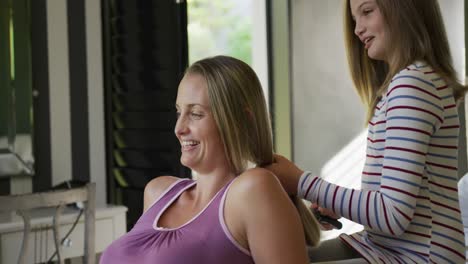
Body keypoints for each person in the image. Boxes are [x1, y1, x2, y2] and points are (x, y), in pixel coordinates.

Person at [265, 0, 467, 263]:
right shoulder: (409, 83)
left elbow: (392, 215)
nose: (358, 29)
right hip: (385, 247)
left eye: (367, 12)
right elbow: (394, 202)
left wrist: (302, 182)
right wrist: (337, 202)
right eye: (354, 19)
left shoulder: (413, 86)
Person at [100, 55, 320, 264]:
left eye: (196, 114)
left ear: (241, 121)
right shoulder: (158, 192)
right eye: (179, 112)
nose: (179, 128)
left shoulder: (254, 190)